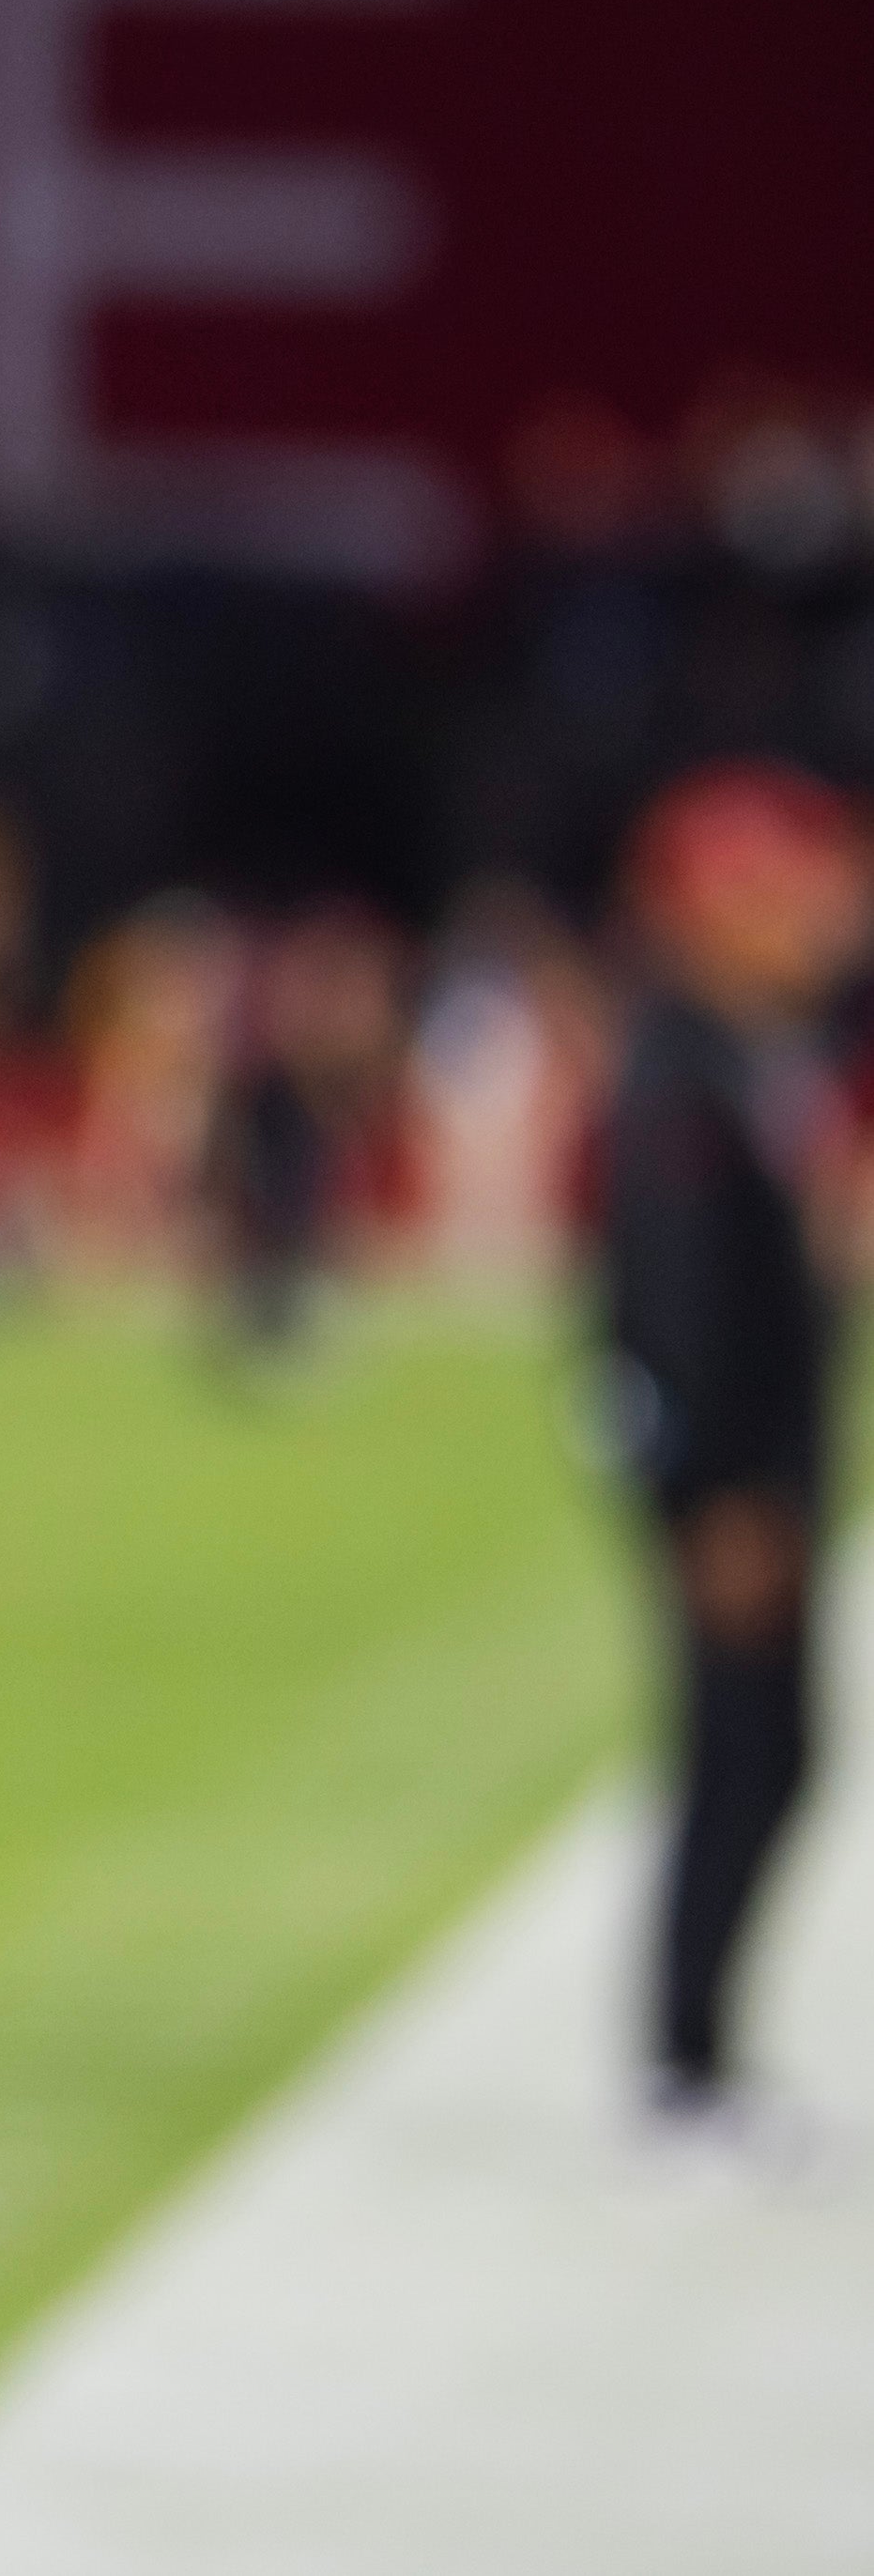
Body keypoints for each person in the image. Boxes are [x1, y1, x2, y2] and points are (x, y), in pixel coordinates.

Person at [593, 761, 863, 2136]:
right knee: (738, 1756)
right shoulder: (679, 1069)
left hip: (768, 1465)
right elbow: (670, 1299)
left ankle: (700, 2057)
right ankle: (682, 2065)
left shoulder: (761, 1052)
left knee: (774, 1755)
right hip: (731, 1481)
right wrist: (712, 1492)